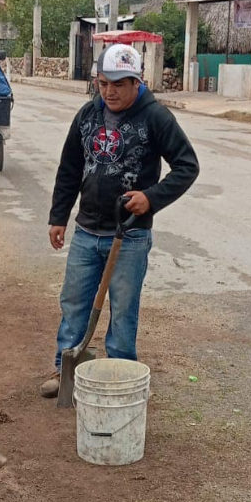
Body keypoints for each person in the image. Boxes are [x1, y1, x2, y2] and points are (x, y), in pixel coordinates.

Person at [41, 43, 200, 397]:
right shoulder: (87, 116)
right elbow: (69, 169)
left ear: (136, 82)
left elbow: (188, 166)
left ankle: (122, 375)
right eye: (103, 84)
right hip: (86, 231)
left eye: (119, 84)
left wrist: (151, 198)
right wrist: (59, 217)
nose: (110, 92)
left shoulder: (156, 117)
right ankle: (63, 368)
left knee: (124, 308)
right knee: (74, 302)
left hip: (129, 235)